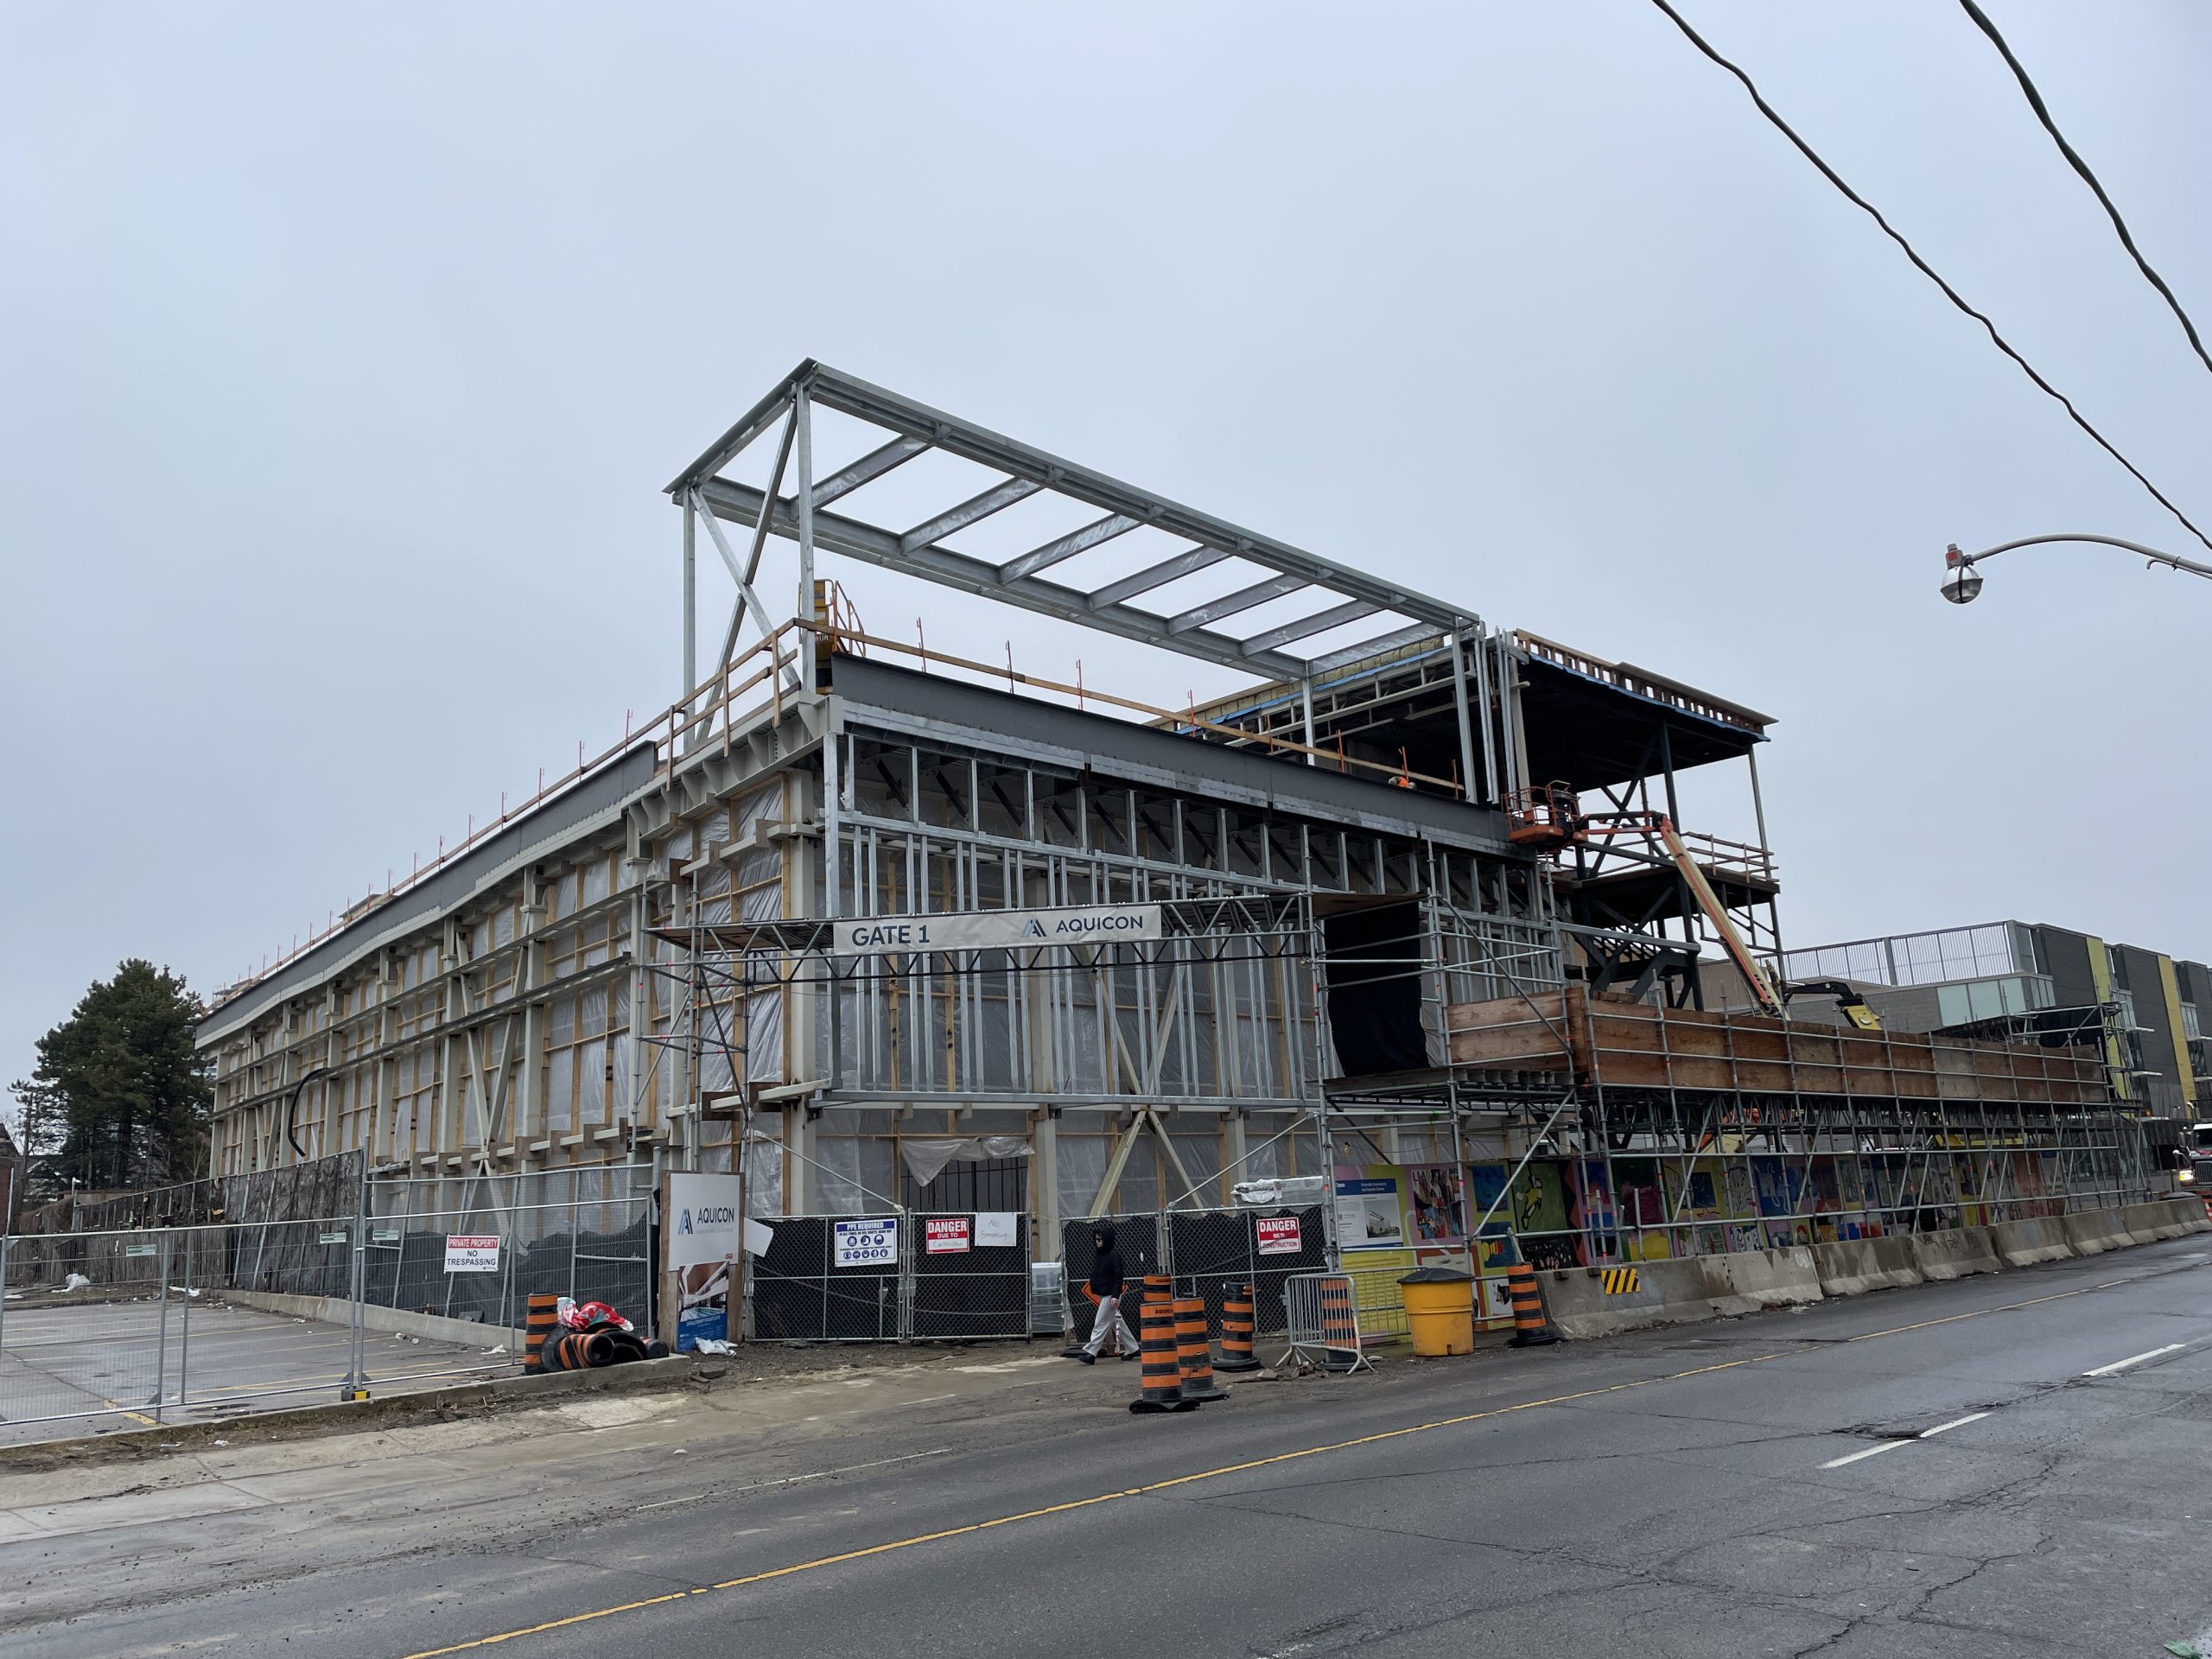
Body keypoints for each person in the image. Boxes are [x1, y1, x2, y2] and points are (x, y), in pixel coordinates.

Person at [1071, 1224, 1139, 1364]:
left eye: (1100, 1239)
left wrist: (1115, 1295)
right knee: (1116, 1322)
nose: (1097, 1242)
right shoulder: (1100, 1255)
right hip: (1105, 1294)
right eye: (1096, 1240)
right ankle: (1133, 1348)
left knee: (1101, 1322)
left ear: (1106, 1240)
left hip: (1110, 1295)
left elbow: (1117, 1278)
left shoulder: (1113, 1256)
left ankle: (1091, 1352)